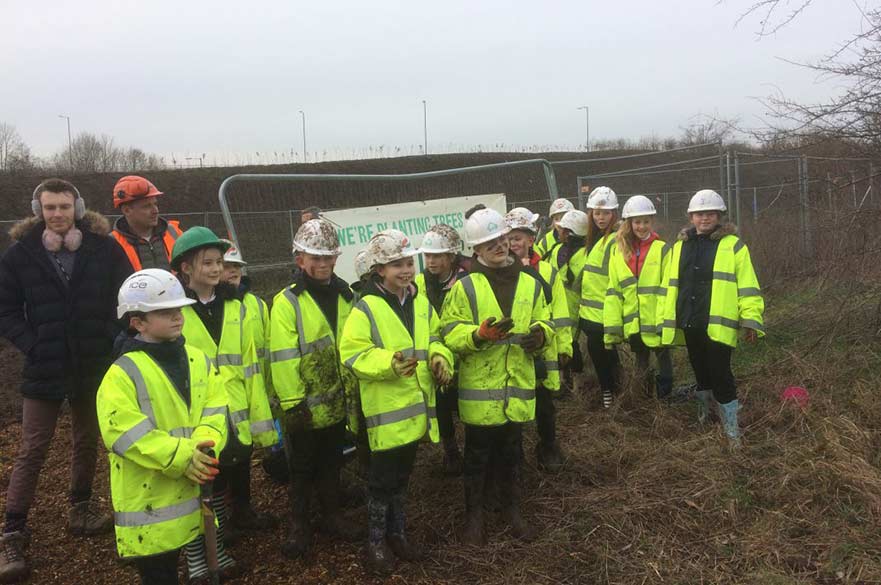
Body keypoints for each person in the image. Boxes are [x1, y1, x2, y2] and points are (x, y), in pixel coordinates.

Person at [0, 179, 131, 583]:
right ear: (38, 210)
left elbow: (125, 296)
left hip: (92, 363)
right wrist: (32, 343)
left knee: (86, 438)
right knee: (33, 448)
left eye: (64, 206)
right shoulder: (20, 255)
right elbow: (5, 309)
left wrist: (111, 336)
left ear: (77, 208)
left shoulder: (104, 247)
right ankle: (13, 533)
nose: (57, 214)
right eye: (49, 207)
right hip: (46, 364)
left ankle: (82, 508)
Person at [97, 269, 228, 585]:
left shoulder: (197, 359)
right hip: (151, 503)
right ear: (137, 321)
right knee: (159, 575)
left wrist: (206, 445)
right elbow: (125, 433)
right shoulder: (121, 374)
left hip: (191, 490)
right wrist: (187, 456)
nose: (177, 317)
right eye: (164, 312)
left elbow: (215, 407)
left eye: (179, 309)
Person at [339, 229, 454, 574]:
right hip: (386, 413)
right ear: (379, 270)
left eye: (408, 262)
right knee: (381, 479)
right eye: (395, 265)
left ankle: (398, 533)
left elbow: (435, 337)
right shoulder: (366, 308)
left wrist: (439, 357)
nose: (405, 270)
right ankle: (375, 542)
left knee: (403, 475)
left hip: (416, 409)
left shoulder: (419, 302)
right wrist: (388, 364)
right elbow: (353, 353)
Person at [440, 208, 553, 546]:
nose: (500, 246)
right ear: (476, 250)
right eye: (490, 243)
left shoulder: (530, 283)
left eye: (503, 239)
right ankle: (474, 517)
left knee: (512, 451)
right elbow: (449, 332)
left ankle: (512, 509)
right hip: (481, 389)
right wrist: (477, 336)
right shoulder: (465, 287)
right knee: (477, 456)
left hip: (516, 385)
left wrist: (542, 336)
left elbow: (544, 319)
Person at [170, 227, 276, 578]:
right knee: (198, 488)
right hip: (195, 415)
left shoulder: (235, 306)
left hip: (234, 414)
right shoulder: (176, 312)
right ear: (186, 267)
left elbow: (249, 367)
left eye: (219, 262)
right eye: (208, 263)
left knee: (216, 487)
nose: (217, 269)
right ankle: (199, 560)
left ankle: (217, 552)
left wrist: (260, 422)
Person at [269, 219, 360, 559]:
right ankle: (299, 526)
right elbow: (282, 356)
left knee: (333, 461)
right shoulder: (287, 302)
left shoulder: (347, 296)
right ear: (300, 261)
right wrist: (293, 405)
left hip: (337, 401)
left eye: (328, 258)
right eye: (315, 258)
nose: (322, 265)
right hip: (304, 407)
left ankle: (332, 516)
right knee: (302, 467)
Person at [661, 189, 764, 448]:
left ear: (719, 216)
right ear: (691, 216)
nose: (704, 218)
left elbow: (748, 285)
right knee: (700, 371)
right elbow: (669, 285)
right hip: (691, 321)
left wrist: (750, 319)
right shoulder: (679, 247)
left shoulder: (733, 246)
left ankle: (731, 429)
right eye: (699, 214)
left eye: (709, 214)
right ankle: (706, 416)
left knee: (721, 374)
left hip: (719, 324)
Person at [504, 208, 572, 472]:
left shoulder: (547, 271)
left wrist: (564, 345)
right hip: (513, 352)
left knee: (544, 405)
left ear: (531, 240)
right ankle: (515, 452)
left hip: (542, 350)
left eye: (518, 237)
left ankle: (548, 445)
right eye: (508, 238)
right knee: (514, 404)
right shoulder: (498, 273)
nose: (512, 244)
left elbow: (561, 312)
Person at [218, 241, 279, 535]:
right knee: (223, 459)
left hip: (251, 393)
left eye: (236, 268)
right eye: (227, 267)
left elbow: (265, 348)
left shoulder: (255, 304)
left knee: (243, 455)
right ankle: (223, 516)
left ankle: (242, 510)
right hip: (223, 397)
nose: (232, 273)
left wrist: (268, 389)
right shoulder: (217, 307)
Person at [603, 196, 674, 399]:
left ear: (652, 222)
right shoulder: (620, 251)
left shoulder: (662, 249)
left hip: (657, 320)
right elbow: (614, 290)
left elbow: (667, 288)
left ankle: (665, 403)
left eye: (646, 221)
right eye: (637, 222)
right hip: (634, 322)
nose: (642, 226)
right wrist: (614, 326)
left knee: (664, 362)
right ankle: (643, 403)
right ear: (629, 223)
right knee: (640, 363)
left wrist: (665, 320)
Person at [413, 223, 468, 476]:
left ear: (451, 256)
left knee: (468, 405)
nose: (431, 261)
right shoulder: (419, 284)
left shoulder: (467, 281)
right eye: (428, 255)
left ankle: (474, 448)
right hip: (437, 357)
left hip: (465, 354)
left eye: (437, 256)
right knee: (443, 406)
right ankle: (451, 451)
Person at [579, 187, 621, 409]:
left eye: (605, 213)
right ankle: (615, 389)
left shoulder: (616, 240)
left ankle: (609, 393)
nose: (601, 218)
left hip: (605, 311)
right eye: (597, 213)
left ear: (614, 213)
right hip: (590, 312)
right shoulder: (593, 239)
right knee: (604, 355)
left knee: (602, 354)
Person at [547, 210, 591, 396]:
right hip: (567, 305)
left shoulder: (563, 252)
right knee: (565, 344)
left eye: (563, 230)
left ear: (569, 233)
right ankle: (569, 382)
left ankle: (571, 383)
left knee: (566, 344)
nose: (560, 233)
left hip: (566, 306)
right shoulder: (582, 253)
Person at [110, 175, 183, 272]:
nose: (155, 210)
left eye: (155, 204)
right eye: (147, 206)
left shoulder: (174, 233)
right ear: (127, 210)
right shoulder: (112, 244)